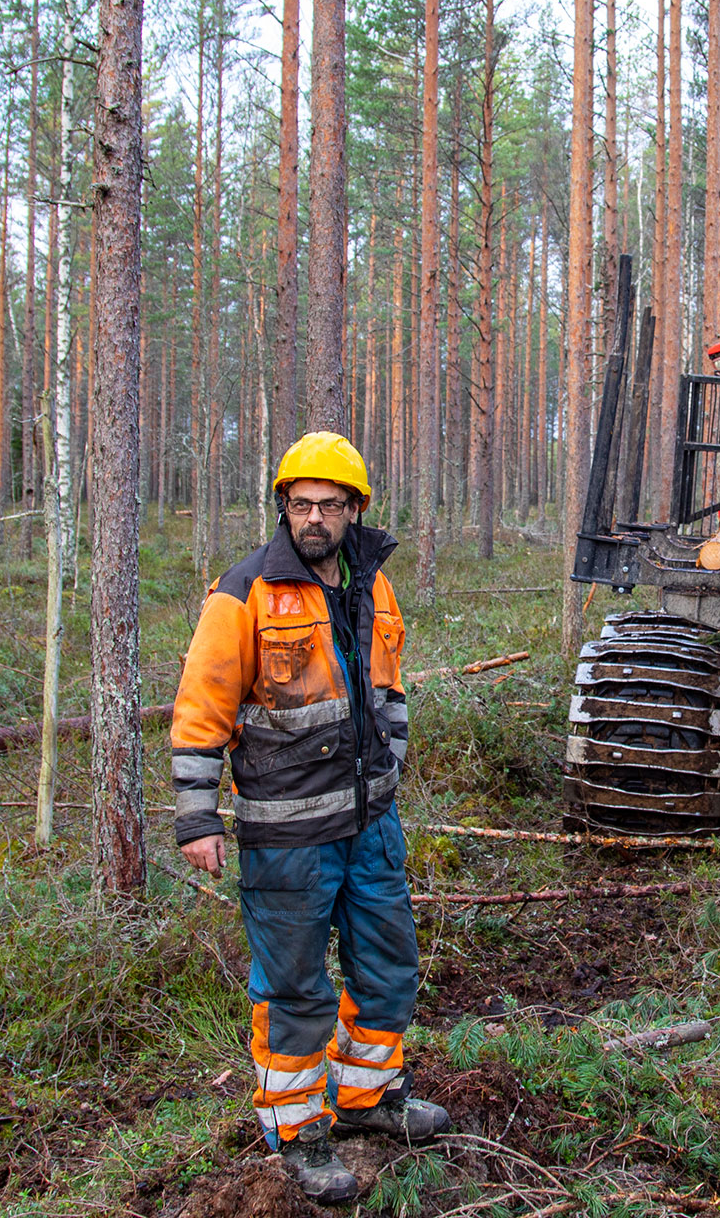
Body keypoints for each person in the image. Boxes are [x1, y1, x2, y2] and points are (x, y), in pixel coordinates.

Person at [170, 432, 448, 1204]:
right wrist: (197, 820)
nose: (315, 518)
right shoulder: (246, 592)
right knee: (294, 989)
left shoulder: (371, 584)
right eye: (301, 504)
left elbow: (388, 692)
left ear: (355, 508)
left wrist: (390, 770)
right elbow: (201, 713)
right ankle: (298, 1130)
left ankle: (367, 1097)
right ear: (283, 508)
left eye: (330, 504)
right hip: (287, 838)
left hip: (370, 828)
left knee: (388, 969)